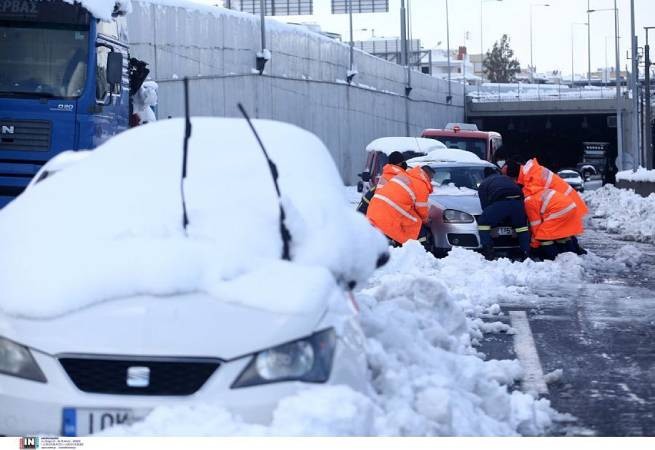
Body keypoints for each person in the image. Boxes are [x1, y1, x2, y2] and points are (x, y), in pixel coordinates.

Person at [505, 158, 587, 255]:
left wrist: (534, 245)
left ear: (514, 176)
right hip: (566, 201)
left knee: (547, 234)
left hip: (562, 204)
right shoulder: (530, 172)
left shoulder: (531, 181)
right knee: (562, 232)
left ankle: (565, 255)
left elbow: (536, 220)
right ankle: (572, 253)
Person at [366, 165, 434, 247]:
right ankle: (422, 250)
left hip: (374, 209)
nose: (431, 180)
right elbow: (421, 209)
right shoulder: (421, 185)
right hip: (390, 210)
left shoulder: (403, 176)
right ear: (428, 175)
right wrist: (426, 221)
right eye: (431, 178)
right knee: (417, 227)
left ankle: (396, 246)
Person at [476, 167, 530, 261]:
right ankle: (526, 252)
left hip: (501, 202)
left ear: (485, 176)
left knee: (483, 223)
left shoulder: (484, 183)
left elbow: (485, 205)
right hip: (518, 202)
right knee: (521, 227)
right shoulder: (506, 178)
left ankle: (488, 250)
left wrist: (495, 217)